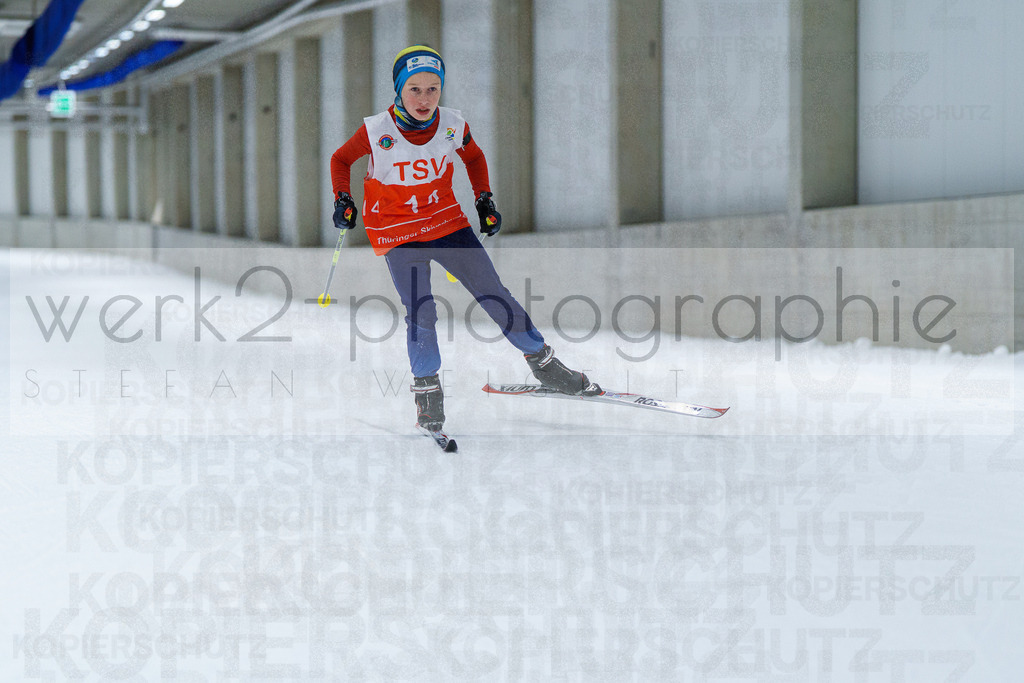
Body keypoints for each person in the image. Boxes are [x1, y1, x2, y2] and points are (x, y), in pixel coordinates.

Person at [329, 45, 600, 434]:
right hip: (397, 229)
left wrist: (483, 198)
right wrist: (343, 198)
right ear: (399, 90)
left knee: (494, 293)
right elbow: (341, 159)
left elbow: (473, 158)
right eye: (415, 89)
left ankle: (544, 365)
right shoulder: (376, 130)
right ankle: (427, 393)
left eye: (433, 89)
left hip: (446, 223)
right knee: (421, 311)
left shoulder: (453, 124)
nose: (425, 99)